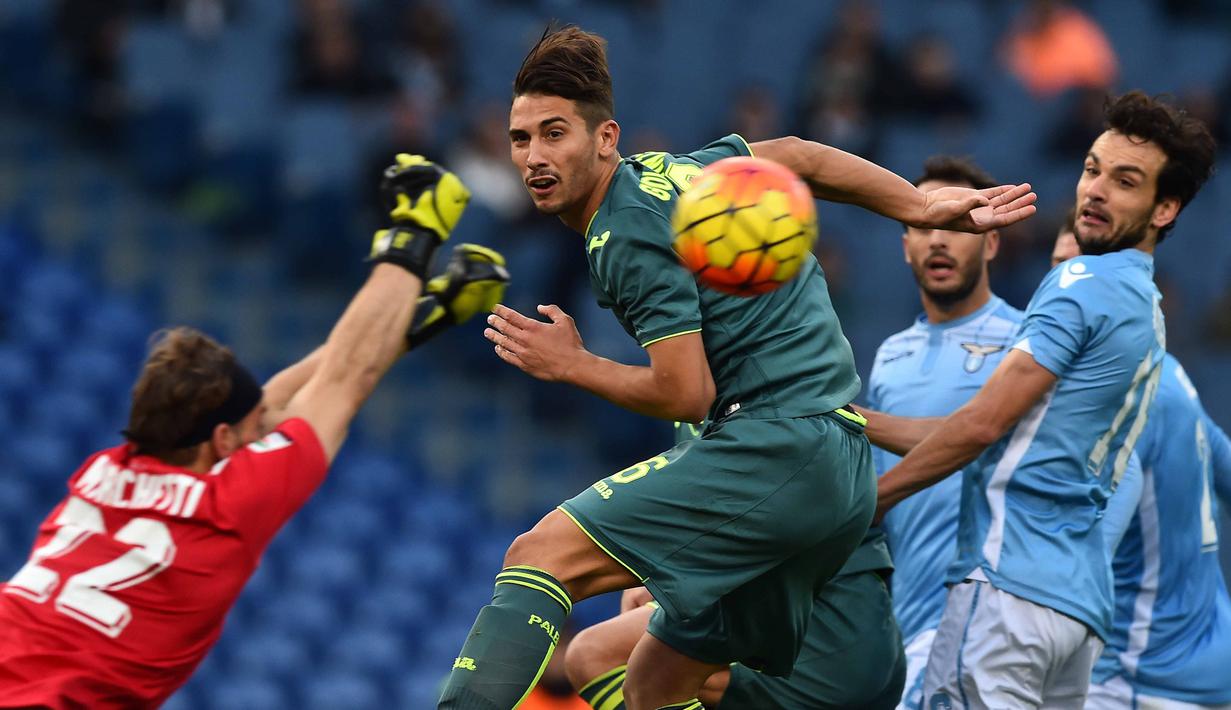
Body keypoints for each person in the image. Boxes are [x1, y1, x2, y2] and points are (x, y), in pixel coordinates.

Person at [437, 26, 1037, 710]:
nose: (535, 156)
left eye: (554, 134)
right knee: (645, 678)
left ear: (605, 138)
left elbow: (686, 392)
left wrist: (574, 365)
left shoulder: (622, 229)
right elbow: (797, 155)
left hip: (776, 451)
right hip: (835, 473)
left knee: (537, 554)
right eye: (521, 139)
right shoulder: (682, 172)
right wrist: (917, 202)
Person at [0, 155, 507, 707]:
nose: (259, 428)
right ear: (220, 442)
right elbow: (344, 378)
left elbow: (276, 402)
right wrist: (415, 233)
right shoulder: (231, 503)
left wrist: (418, 318)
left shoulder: (102, 471)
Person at [871, 91, 1216, 709]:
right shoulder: (1146, 306)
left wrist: (872, 500)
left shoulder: (1080, 280)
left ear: (1165, 209)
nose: (1096, 191)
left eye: (1126, 181)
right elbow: (995, 428)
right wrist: (859, 422)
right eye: (1092, 169)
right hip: (1073, 614)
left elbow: (981, 426)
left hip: (1006, 589)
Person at [1048, 228, 1231, 710]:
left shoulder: (1115, 398)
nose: (1060, 288)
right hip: (1212, 670)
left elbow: (1086, 565)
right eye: (1055, 270)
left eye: (1076, 273)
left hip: (1136, 680)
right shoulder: (1171, 373)